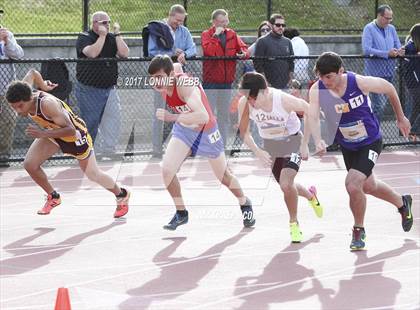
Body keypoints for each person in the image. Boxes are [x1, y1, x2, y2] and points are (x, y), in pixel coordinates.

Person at [307, 52, 413, 250]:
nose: (325, 81)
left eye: (328, 76)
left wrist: (400, 117)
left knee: (353, 184)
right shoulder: (317, 89)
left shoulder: (359, 83)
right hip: (348, 145)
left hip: (370, 141)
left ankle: (358, 230)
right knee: (368, 186)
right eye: (321, 76)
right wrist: (317, 139)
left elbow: (389, 88)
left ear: (341, 71)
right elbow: (312, 116)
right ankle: (402, 203)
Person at [147, 55, 255, 230]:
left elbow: (203, 116)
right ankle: (181, 213)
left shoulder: (183, 85)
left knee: (224, 177)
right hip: (184, 130)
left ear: (171, 75)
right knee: (167, 170)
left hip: (206, 131)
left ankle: (244, 202)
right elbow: (175, 66)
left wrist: (171, 117)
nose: (155, 82)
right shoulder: (169, 76)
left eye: (159, 77)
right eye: (152, 78)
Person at [5, 69, 130, 217]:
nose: (18, 111)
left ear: (29, 98)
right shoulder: (23, 89)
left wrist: (43, 133)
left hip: (74, 136)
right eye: (14, 107)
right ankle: (53, 196)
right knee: (29, 164)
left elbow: (70, 130)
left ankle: (121, 194)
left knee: (93, 174)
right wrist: (43, 85)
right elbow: (32, 73)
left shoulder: (47, 104)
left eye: (20, 106)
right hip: (53, 131)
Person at [237, 72, 322, 243]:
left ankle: (294, 224)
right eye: (248, 98)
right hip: (271, 145)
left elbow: (310, 111)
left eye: (253, 98)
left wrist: (306, 143)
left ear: (264, 91)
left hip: (292, 141)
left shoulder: (283, 100)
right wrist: (258, 151)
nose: (251, 103)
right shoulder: (245, 103)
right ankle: (311, 196)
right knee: (287, 186)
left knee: (285, 183)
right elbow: (244, 132)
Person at [75, 11, 129, 158]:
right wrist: (102, 36)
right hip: (89, 89)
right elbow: (92, 53)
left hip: (109, 88)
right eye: (103, 22)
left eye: (108, 22)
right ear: (94, 24)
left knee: (113, 119)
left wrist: (117, 35)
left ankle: (109, 150)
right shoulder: (84, 37)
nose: (107, 25)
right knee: (91, 121)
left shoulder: (112, 38)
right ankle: (90, 151)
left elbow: (125, 53)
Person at [148, 4, 197, 158]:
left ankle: (185, 146)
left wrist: (185, 54)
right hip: (163, 81)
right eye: (177, 20)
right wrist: (171, 53)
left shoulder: (184, 31)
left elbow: (193, 48)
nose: (179, 24)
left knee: (183, 112)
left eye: (182, 21)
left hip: (179, 81)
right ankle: (157, 148)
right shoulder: (158, 29)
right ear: (170, 16)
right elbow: (152, 51)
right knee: (160, 112)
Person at [201, 9, 249, 147]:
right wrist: (215, 36)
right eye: (221, 22)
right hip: (211, 82)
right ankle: (208, 143)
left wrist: (242, 53)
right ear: (214, 22)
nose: (224, 24)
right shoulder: (206, 34)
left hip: (226, 82)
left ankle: (221, 144)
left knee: (223, 115)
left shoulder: (232, 34)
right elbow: (209, 51)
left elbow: (244, 49)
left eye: (226, 21)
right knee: (209, 115)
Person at [362, 4, 404, 122]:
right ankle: (375, 132)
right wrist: (387, 53)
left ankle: (371, 127)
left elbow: (397, 45)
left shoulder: (391, 28)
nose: (389, 21)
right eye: (387, 18)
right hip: (374, 74)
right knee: (378, 106)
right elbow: (367, 49)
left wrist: (399, 51)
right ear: (379, 16)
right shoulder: (369, 28)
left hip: (389, 72)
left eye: (391, 18)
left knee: (382, 105)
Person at [0, 22, 24, 167]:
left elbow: (19, 55)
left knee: (8, 121)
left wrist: (7, 41)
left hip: (5, 90)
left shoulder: (6, 34)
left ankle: (3, 155)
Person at [254, 13, 294, 89]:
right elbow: (258, 64)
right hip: (269, 85)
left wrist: (290, 80)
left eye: (283, 25)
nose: (281, 27)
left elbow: (291, 63)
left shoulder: (288, 42)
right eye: (278, 25)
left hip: (285, 85)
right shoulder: (262, 41)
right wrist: (265, 83)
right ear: (271, 25)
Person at [402, 23, 420, 140]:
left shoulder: (414, 47)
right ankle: (413, 131)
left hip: (415, 82)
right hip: (414, 83)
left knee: (416, 107)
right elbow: (412, 65)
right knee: (416, 106)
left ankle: (410, 130)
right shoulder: (410, 47)